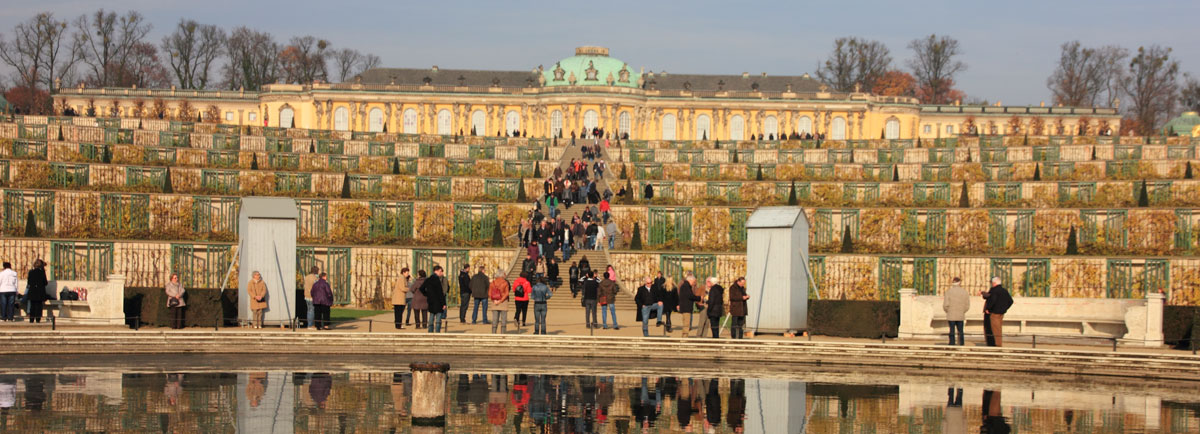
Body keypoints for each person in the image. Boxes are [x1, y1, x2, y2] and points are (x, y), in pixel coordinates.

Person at [983, 277, 1014, 347]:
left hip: (994, 313)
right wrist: (1004, 309)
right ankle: (997, 343)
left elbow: (992, 300)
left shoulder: (994, 291)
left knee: (995, 330)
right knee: (998, 328)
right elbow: (1010, 301)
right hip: (1001, 313)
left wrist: (988, 309)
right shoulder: (1004, 291)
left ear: (994, 283)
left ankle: (997, 344)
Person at [943, 277, 969, 346]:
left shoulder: (948, 292)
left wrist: (948, 311)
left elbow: (945, 305)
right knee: (960, 331)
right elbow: (967, 305)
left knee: (952, 330)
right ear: (960, 283)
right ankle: (961, 343)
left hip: (951, 314)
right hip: (960, 314)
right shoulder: (964, 292)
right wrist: (963, 311)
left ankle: (952, 343)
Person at [421, 266, 448, 333]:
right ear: (437, 271)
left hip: (431, 300)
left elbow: (421, 288)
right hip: (438, 301)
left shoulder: (428, 279)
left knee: (431, 316)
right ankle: (437, 331)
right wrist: (444, 303)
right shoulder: (437, 280)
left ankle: (430, 331)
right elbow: (440, 293)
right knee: (438, 318)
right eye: (440, 271)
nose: (441, 273)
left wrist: (427, 294)